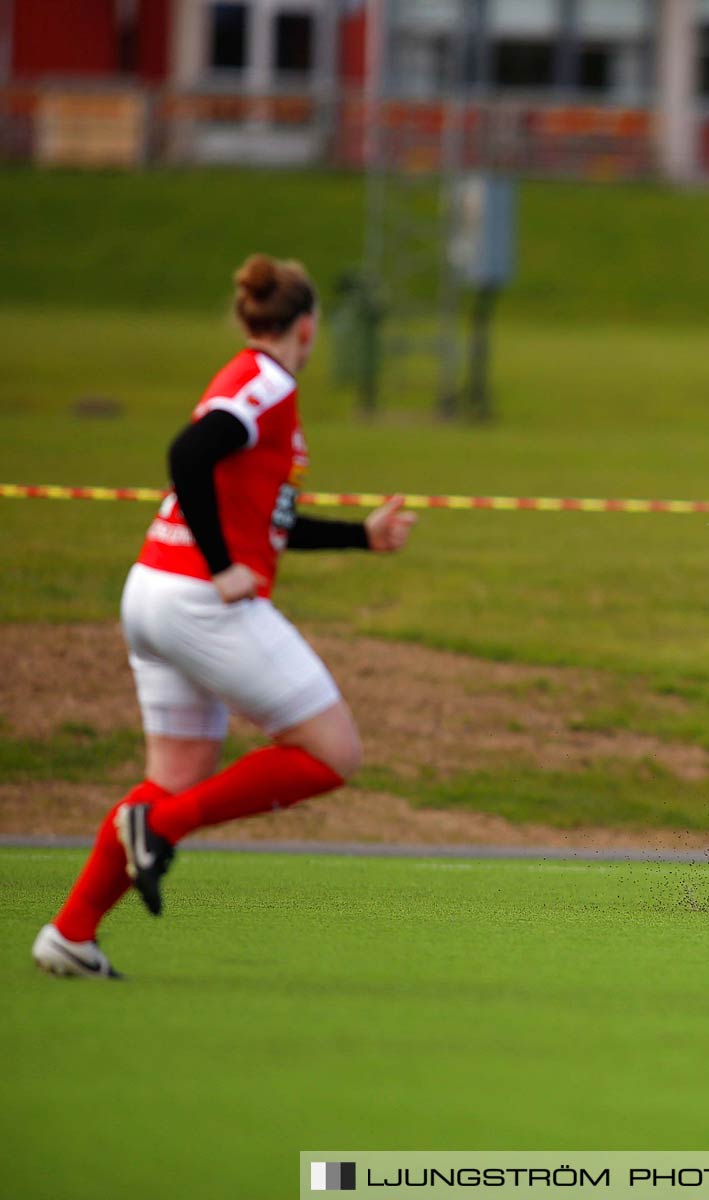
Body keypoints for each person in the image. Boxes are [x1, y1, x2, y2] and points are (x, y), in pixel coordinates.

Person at [33, 254, 417, 980]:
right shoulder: (268, 381)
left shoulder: (247, 380)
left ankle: (73, 932)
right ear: (307, 327)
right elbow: (188, 455)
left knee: (175, 775)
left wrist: (359, 537)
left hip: (152, 590)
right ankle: (162, 830)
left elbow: (265, 516)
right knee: (334, 753)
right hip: (195, 599)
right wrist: (220, 566)